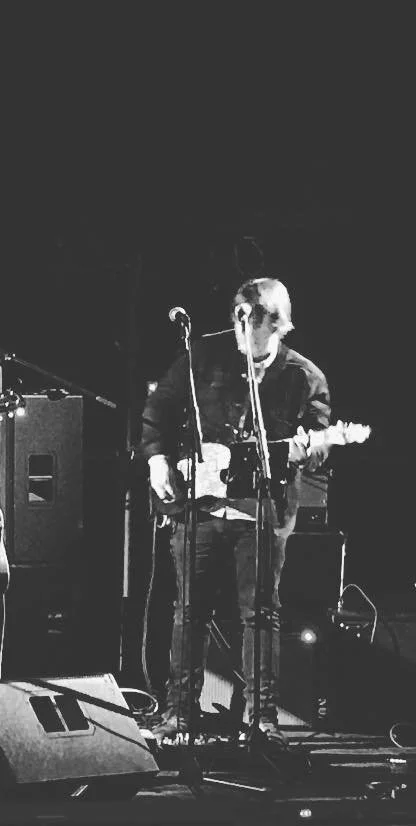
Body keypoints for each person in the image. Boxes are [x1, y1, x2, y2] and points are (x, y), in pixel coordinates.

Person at [138, 277, 331, 737]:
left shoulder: (304, 377)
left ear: (277, 325)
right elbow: (158, 411)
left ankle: (262, 719)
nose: (243, 334)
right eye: (239, 321)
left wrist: (310, 449)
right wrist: (157, 460)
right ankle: (179, 713)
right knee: (189, 610)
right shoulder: (202, 357)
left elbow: (318, 443)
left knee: (260, 614)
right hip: (199, 504)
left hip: (260, 510)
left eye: (254, 326)